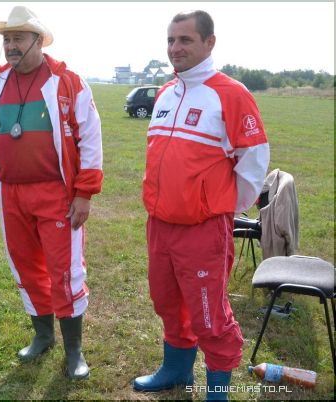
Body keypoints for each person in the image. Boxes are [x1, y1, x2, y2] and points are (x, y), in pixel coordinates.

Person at [133, 10, 270, 401]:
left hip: (203, 228)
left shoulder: (231, 94)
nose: (175, 48)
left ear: (209, 43)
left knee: (209, 314)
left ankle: (217, 392)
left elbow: (254, 159)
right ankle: (176, 370)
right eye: (171, 40)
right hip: (160, 225)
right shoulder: (165, 93)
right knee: (167, 301)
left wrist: (220, 206)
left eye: (185, 39)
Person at [0, 6, 103, 380]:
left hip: (56, 193)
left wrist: (84, 193)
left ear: (38, 41)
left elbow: (90, 138)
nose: (11, 46)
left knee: (65, 271)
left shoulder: (67, 82)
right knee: (26, 267)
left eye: (18, 38)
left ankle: (74, 351)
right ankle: (43, 335)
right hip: (11, 193)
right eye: (6, 39)